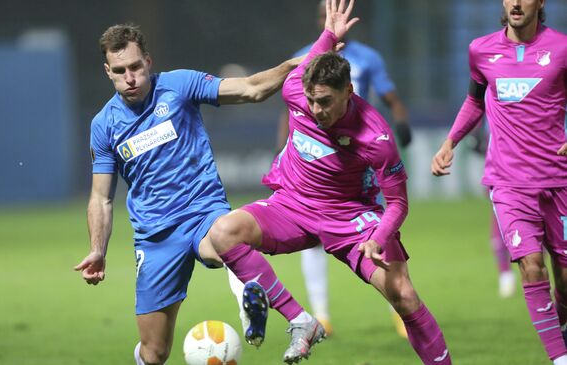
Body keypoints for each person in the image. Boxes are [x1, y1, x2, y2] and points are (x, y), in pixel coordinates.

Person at [210, 1, 452, 364]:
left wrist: (378, 237)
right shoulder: (296, 91)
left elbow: (399, 204)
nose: (316, 110)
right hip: (290, 205)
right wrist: (328, 33)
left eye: (325, 102)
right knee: (223, 233)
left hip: (350, 218)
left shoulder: (376, 137)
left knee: (403, 294)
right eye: (312, 101)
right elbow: (310, 64)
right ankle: (301, 321)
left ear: (349, 92)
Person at [73, 23, 317, 365]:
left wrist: (290, 67)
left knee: (224, 243)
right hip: (155, 237)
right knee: (154, 352)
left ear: (147, 60)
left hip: (203, 211)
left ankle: (259, 305)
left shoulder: (179, 85)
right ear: (107, 71)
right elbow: (101, 197)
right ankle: (248, 292)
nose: (129, 77)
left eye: (135, 67)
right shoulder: (104, 125)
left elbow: (249, 89)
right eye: (119, 71)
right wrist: (97, 249)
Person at [431, 0, 567, 363]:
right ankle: (559, 359)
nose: (516, 3)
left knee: (565, 280)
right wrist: (450, 142)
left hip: (559, 179)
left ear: (540, 2)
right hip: (508, 182)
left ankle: (562, 327)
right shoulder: (481, 49)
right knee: (531, 265)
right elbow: (475, 101)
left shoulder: (562, 48)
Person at [273, 0, 413, 338]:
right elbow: (291, 110)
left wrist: (401, 121)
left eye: (330, 16)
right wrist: (283, 147)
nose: (327, 21)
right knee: (312, 238)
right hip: (317, 158)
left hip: (357, 161)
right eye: (321, 17)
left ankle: (401, 308)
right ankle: (321, 313)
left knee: (379, 233)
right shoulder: (306, 55)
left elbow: (389, 95)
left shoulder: (367, 58)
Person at [467, 124, 516, 298]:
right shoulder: (491, 103)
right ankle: (505, 275)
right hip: (500, 162)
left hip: (531, 162)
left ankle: (539, 276)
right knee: (499, 215)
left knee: (542, 224)